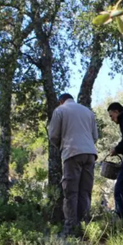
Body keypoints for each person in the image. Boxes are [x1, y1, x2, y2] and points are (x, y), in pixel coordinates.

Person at [48, 93, 99, 236]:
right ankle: (84, 225)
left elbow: (53, 135)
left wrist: (61, 145)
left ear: (61, 101)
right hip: (90, 154)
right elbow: (95, 136)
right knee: (85, 191)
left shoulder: (60, 111)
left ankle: (70, 227)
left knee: (71, 191)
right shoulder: (88, 112)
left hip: (72, 153)